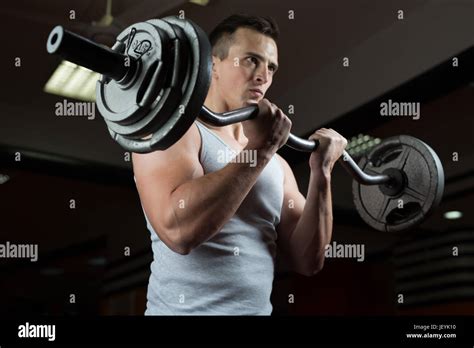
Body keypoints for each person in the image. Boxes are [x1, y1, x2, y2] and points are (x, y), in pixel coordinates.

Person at [132, 14, 347, 315]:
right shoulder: (176, 132)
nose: (263, 76)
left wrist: (321, 171)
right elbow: (178, 232)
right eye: (250, 60)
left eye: (271, 67)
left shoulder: (278, 165)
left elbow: (308, 260)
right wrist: (261, 150)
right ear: (213, 64)